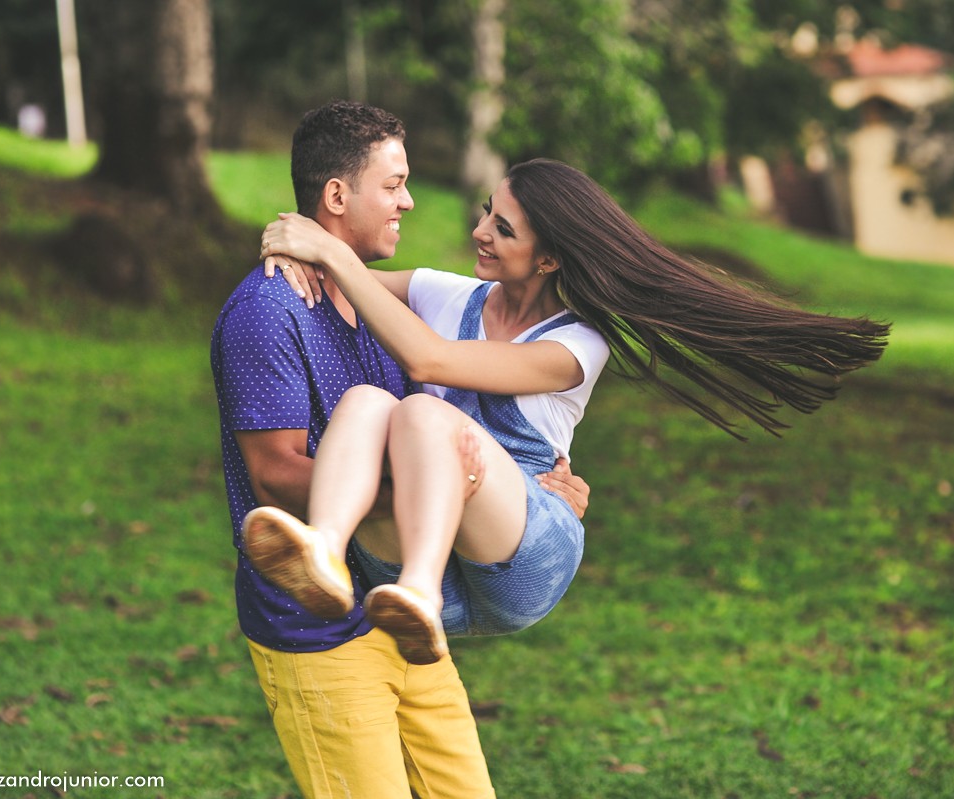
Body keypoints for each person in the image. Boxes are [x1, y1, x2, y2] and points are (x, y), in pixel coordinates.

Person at [246, 158, 892, 669]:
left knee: (419, 413)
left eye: (503, 228)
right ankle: (323, 552)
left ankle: (418, 592)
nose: (479, 233)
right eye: (485, 214)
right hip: (431, 541)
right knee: (367, 404)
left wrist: (328, 253)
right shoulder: (450, 294)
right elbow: (339, 283)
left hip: (524, 554)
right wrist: (293, 245)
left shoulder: (577, 345)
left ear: (549, 257)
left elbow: (429, 360)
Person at [211, 101, 587, 799]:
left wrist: (524, 494)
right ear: (336, 196)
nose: (409, 201)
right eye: (393, 185)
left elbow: (436, 417)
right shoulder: (268, 310)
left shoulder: (386, 308)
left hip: (403, 608)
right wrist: (436, 500)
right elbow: (272, 473)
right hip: (318, 633)